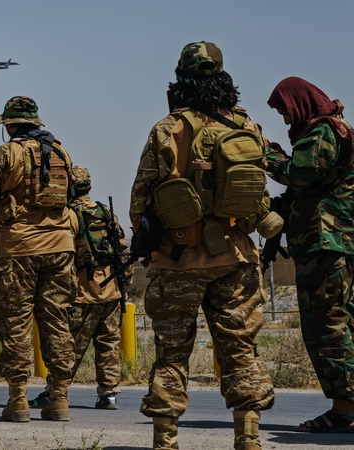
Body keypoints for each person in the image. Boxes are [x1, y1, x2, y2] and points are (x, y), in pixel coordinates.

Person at [129, 42, 275, 449]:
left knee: (172, 353)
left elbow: (140, 199)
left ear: (180, 78)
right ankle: (248, 440)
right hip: (236, 256)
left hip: (178, 259)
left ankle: (166, 440)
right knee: (240, 349)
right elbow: (260, 191)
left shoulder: (167, 128)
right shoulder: (247, 126)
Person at [0, 96, 77, 422]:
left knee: (15, 325)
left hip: (18, 250)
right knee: (57, 322)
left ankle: (18, 401)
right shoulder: (61, 152)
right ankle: (59, 400)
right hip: (60, 249)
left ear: (10, 125)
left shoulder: (6, 153)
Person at [265, 77, 354, 432]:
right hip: (337, 243)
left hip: (326, 244)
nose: (286, 120)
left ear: (300, 101)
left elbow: (298, 172)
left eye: (286, 111)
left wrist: (265, 153)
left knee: (327, 326)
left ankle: (344, 411)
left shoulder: (323, 132)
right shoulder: (339, 127)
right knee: (343, 323)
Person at [28, 166, 132, 411]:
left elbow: (60, 257)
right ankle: (109, 395)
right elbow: (122, 251)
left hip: (82, 293)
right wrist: (123, 284)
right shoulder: (105, 212)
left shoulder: (67, 215)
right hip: (112, 291)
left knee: (69, 345)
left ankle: (55, 391)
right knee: (108, 345)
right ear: (90, 187)